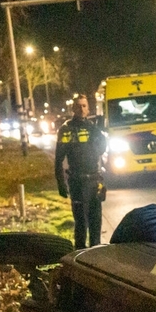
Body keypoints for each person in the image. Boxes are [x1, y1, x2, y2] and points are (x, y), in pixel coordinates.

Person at [55, 94, 107, 249]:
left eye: (84, 106)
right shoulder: (66, 129)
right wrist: (61, 183)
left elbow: (102, 148)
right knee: (81, 223)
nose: (81, 109)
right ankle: (80, 256)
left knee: (96, 222)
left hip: (94, 180)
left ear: (88, 108)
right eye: (78, 106)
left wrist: (99, 138)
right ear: (73, 109)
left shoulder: (93, 127)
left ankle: (95, 255)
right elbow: (59, 159)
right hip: (77, 182)